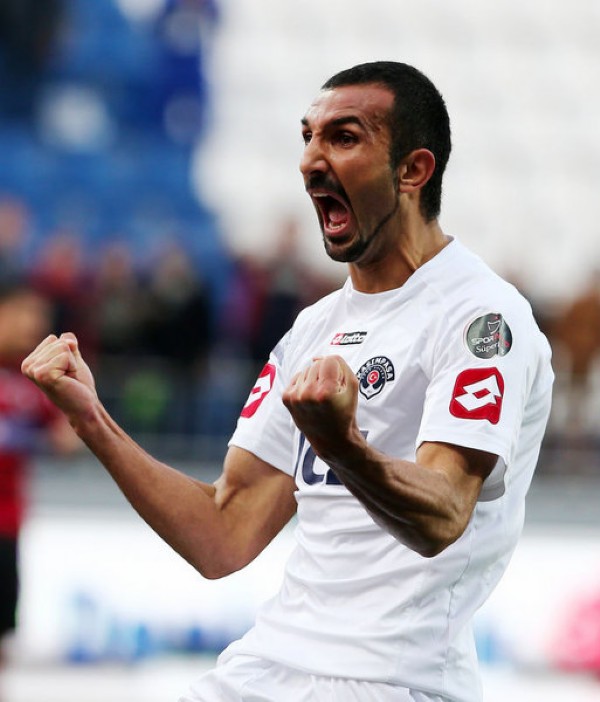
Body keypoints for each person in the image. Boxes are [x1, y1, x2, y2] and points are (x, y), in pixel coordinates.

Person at [21, 62, 554, 702]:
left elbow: (444, 514)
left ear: (413, 170)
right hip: (268, 664)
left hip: (392, 677)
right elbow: (223, 534)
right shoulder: (313, 329)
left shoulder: (482, 318)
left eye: (344, 137)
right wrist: (92, 420)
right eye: (308, 137)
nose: (310, 161)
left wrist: (343, 445)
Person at [0, 281, 79, 665]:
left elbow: (69, 439)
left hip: (7, 525)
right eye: (23, 313)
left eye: (39, 317)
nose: (32, 325)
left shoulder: (31, 381)